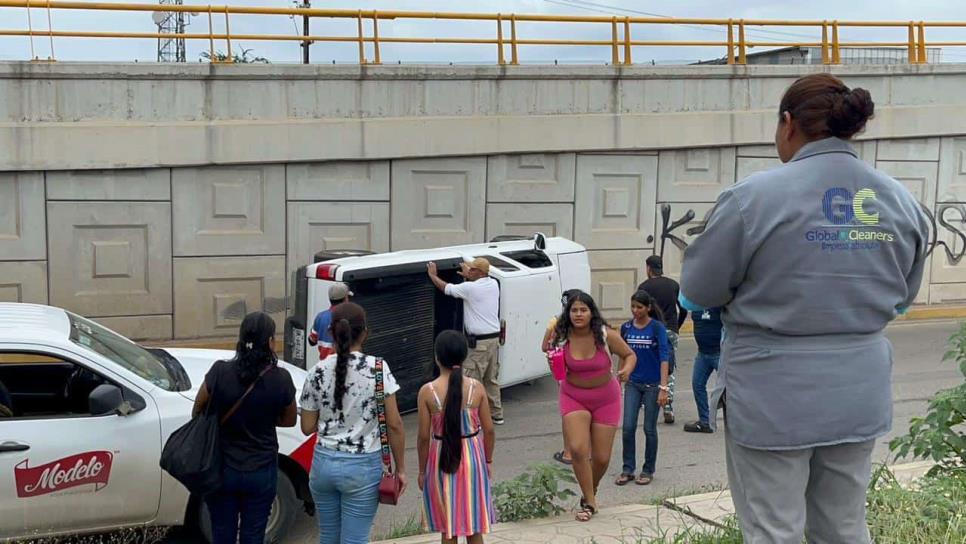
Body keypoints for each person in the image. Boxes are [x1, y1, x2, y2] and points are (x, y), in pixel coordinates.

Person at [679, 73, 929, 544]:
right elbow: (901, 298)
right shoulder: (900, 201)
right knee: (845, 526)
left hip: (772, 395)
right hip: (857, 389)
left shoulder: (752, 199)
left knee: (774, 529)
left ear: (788, 124)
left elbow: (699, 292)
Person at [300, 302, 408, 544]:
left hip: (323, 463)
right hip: (363, 468)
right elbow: (395, 425)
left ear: (330, 332)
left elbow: (307, 427)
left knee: (328, 536)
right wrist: (400, 468)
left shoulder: (316, 371)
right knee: (355, 539)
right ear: (365, 332)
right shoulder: (378, 369)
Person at [191, 312, 298, 544]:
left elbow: (198, 409)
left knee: (222, 535)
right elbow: (290, 420)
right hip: (261, 470)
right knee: (253, 536)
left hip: (222, 469)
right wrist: (266, 418)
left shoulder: (219, 372)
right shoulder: (281, 379)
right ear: (270, 342)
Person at [553, 291, 636, 521]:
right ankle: (589, 502)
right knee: (578, 449)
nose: (578, 314)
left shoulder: (605, 334)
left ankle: (591, 489)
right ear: (567, 314)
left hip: (606, 398)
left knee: (601, 458)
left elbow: (629, 355)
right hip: (573, 396)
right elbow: (551, 357)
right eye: (574, 310)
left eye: (583, 310)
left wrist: (626, 369)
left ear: (591, 313)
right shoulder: (561, 336)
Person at [418, 331, 497, 544]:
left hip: (441, 459)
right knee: (474, 526)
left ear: (437, 357)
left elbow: (423, 437)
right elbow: (489, 430)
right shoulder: (476, 388)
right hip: (472, 458)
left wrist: (421, 470)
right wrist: (487, 460)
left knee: (449, 527)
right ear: (463, 357)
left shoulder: (427, 392)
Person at [428, 258, 504, 425]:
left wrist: (433, 275)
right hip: (493, 340)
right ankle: (496, 413)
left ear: (481, 272)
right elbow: (473, 283)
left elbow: (446, 288)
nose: (469, 270)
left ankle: (471, 418)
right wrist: (469, 275)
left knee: (470, 380)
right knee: (491, 379)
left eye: (472, 269)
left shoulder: (471, 288)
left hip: (479, 345)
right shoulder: (493, 285)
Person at [615, 291, 670, 486]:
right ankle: (627, 468)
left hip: (652, 386)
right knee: (628, 427)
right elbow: (623, 353)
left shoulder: (657, 328)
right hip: (633, 384)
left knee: (649, 429)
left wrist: (664, 388)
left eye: (639, 307)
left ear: (648, 308)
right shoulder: (627, 328)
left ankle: (648, 470)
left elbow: (664, 358)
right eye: (633, 307)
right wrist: (619, 377)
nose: (635, 311)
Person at [638, 255, 687, 424]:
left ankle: (647, 402)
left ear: (648, 268)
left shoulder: (644, 288)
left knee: (650, 364)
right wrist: (676, 327)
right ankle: (668, 407)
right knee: (669, 367)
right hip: (670, 330)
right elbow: (683, 308)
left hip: (651, 331)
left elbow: (640, 311)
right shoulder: (673, 285)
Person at [543, 288, 582, 466]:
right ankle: (584, 451)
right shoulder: (587, 324)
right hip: (585, 375)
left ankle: (568, 452)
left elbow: (545, 347)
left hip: (563, 376)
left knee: (568, 414)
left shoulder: (556, 324)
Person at [684, 307, 723, 434]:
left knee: (731, 388)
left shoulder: (719, 304)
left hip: (720, 353)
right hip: (702, 353)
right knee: (697, 384)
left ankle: (741, 423)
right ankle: (705, 422)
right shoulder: (696, 307)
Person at [308, 282, 353, 360]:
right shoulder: (351, 318)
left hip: (325, 365)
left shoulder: (320, 317)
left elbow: (311, 342)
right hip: (345, 365)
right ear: (345, 299)